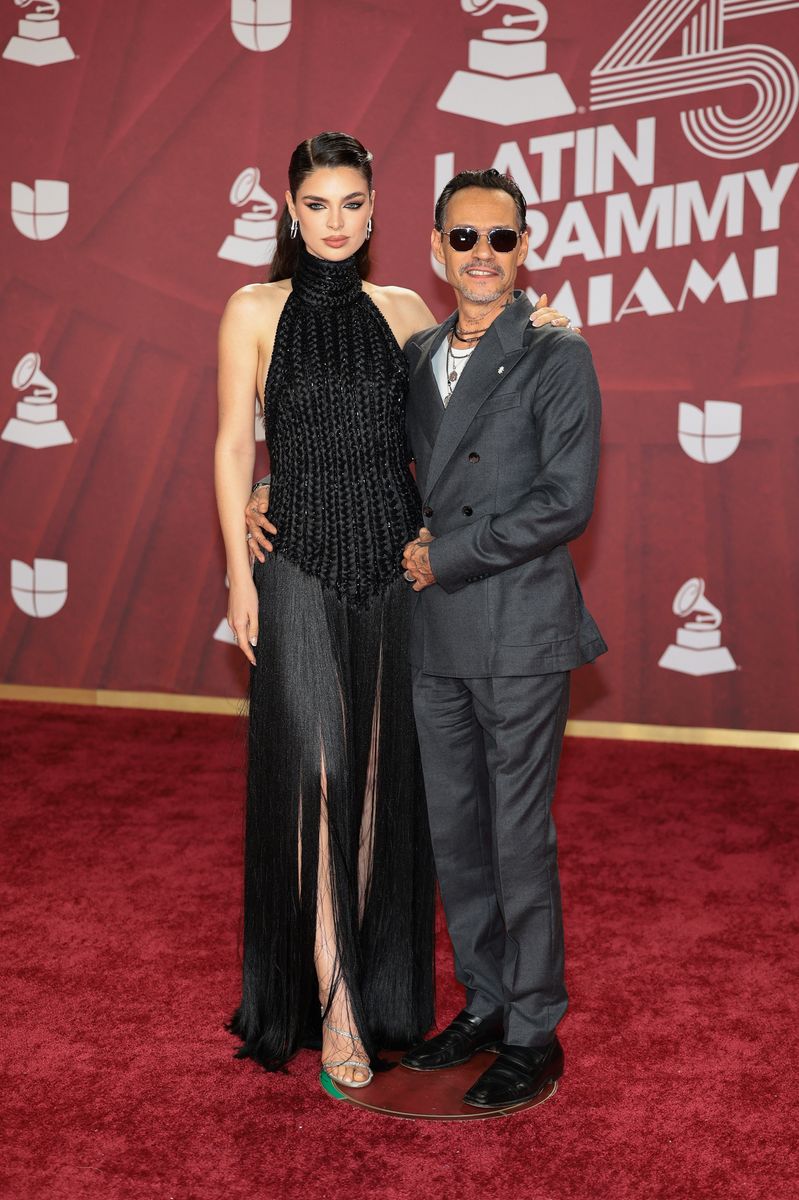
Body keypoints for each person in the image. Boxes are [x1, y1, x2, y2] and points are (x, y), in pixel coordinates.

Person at [216, 134, 571, 1091]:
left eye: (352, 204)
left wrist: (548, 328)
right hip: (294, 567)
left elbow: (456, 431)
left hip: (395, 568)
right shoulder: (253, 310)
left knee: (378, 784)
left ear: (377, 216)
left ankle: (376, 992)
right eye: (317, 204)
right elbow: (225, 444)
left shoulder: (409, 311)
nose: (334, 221)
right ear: (289, 211)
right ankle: (331, 996)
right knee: (319, 778)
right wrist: (238, 567)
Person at [398, 169, 606, 1109]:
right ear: (438, 250)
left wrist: (451, 557)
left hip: (519, 625)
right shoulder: (415, 353)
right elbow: (383, 466)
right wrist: (272, 490)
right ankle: (482, 1004)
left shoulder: (558, 354)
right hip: (435, 632)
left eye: (501, 238)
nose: (483, 254)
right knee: (457, 834)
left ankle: (533, 1028)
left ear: (524, 248)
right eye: (465, 238)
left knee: (517, 836)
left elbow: (564, 503)